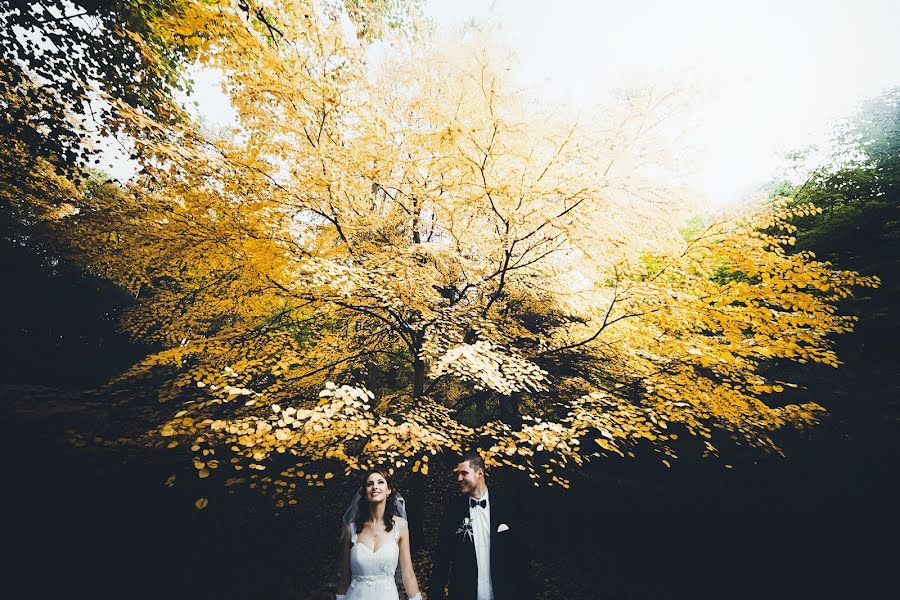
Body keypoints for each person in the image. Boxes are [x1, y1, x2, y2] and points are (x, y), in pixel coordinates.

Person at [427, 450, 533, 600]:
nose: (459, 478)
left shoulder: (505, 508)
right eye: (458, 474)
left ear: (479, 473)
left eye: (464, 473)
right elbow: (441, 561)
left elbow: (521, 558)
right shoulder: (452, 512)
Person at [337, 468, 422, 600]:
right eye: (370, 484)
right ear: (365, 493)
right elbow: (344, 576)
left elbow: (408, 574)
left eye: (380, 482)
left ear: (389, 490)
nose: (375, 486)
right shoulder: (351, 529)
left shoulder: (400, 527)